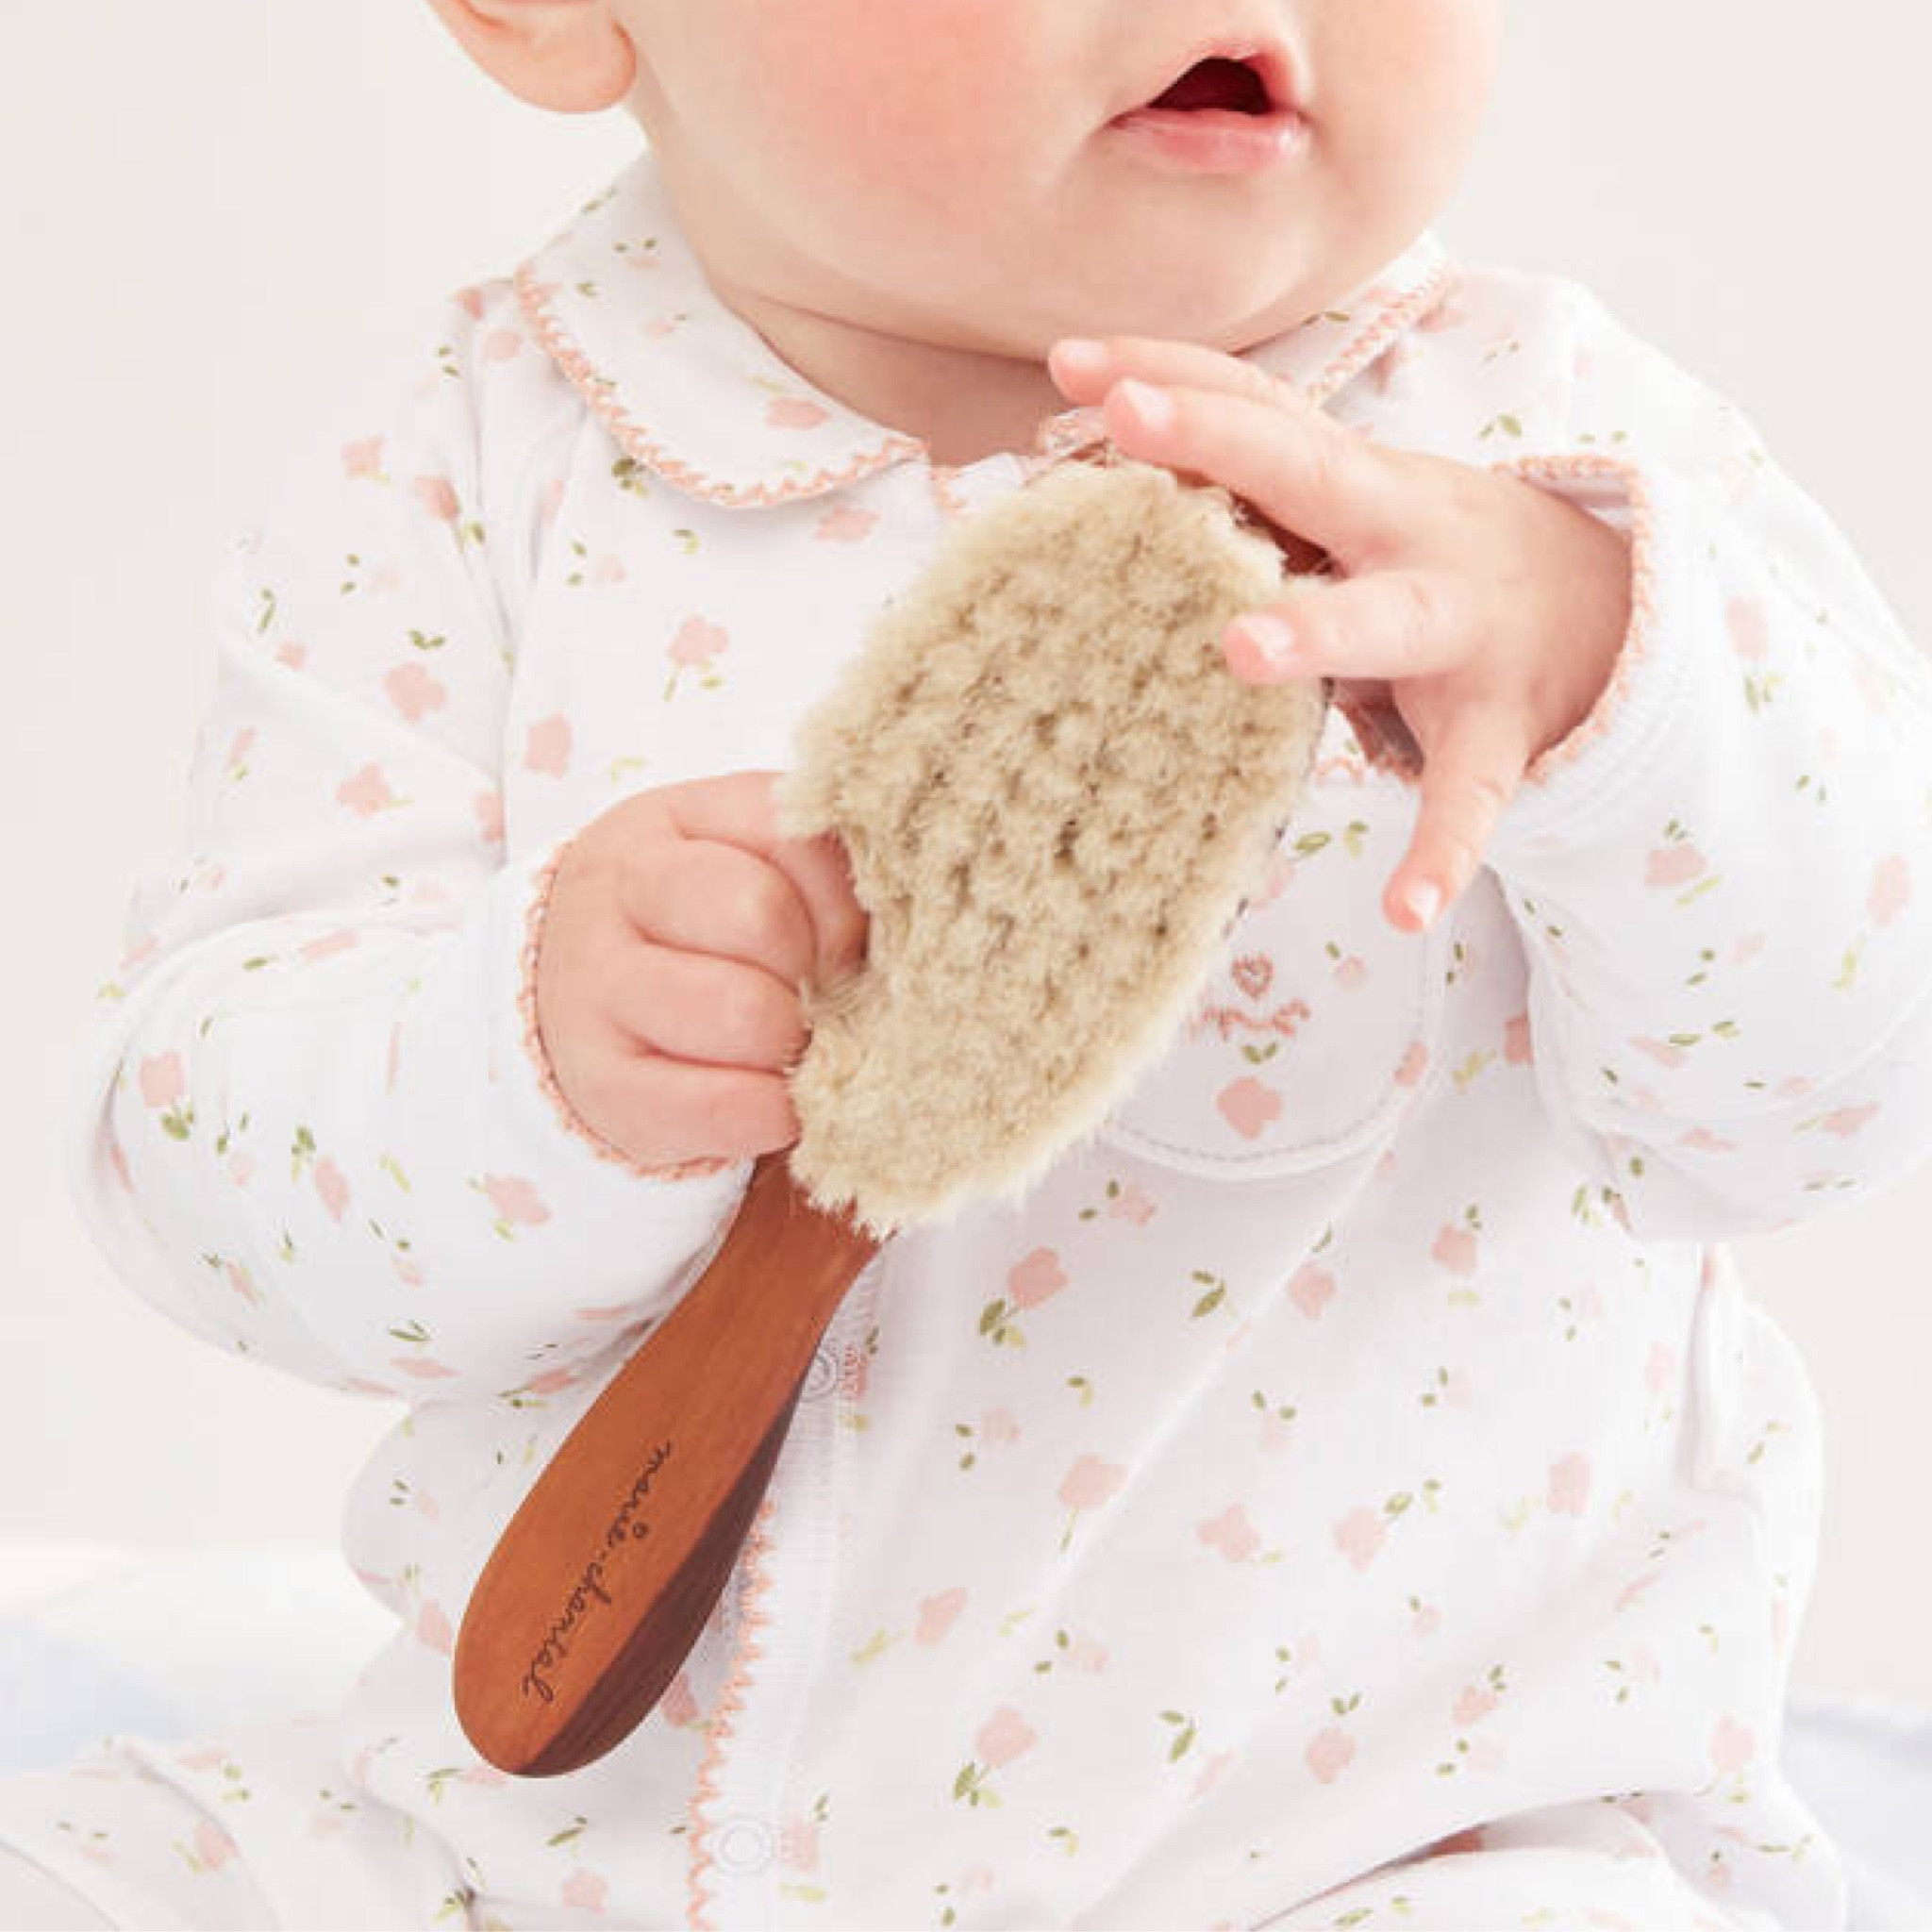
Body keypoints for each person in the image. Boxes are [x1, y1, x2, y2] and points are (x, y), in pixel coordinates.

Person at [8, 0, 1930, 1924]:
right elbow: (197, 1159)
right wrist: (522, 1056)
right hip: (560, 1853)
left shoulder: (1555, 477)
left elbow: (1823, 1106)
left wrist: (1625, 698)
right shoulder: (463, 477)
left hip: (1380, 1851)